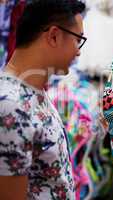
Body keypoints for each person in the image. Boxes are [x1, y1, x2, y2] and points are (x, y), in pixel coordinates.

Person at [0, 0, 86, 199]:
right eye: (78, 40)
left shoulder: (32, 90)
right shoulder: (11, 105)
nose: (79, 50)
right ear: (54, 36)